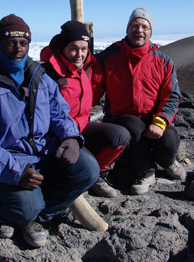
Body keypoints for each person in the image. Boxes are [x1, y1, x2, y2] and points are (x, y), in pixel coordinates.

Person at [0, 14, 98, 247]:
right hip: (4, 161)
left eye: (23, 43)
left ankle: (35, 218)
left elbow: (59, 114)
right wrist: (16, 171)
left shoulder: (39, 77)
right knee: (25, 206)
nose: (17, 49)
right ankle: (2, 211)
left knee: (87, 168)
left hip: (42, 153)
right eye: (10, 43)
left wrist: (71, 137)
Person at [92, 8, 185, 195]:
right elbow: (92, 91)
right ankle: (147, 172)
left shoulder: (162, 60)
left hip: (153, 119)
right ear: (127, 28)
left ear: (150, 32)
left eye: (145, 26)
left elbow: (172, 95)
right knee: (131, 122)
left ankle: (168, 161)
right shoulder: (109, 58)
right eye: (135, 25)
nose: (139, 30)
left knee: (168, 141)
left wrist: (160, 121)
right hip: (120, 120)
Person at [41, 21, 131, 198]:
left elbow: (110, 54)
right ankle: (83, 174)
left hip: (81, 126)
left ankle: (96, 175)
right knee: (87, 164)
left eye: (84, 48)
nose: (79, 54)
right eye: (73, 48)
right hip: (59, 135)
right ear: (62, 47)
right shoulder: (49, 73)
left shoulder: (87, 68)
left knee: (121, 136)